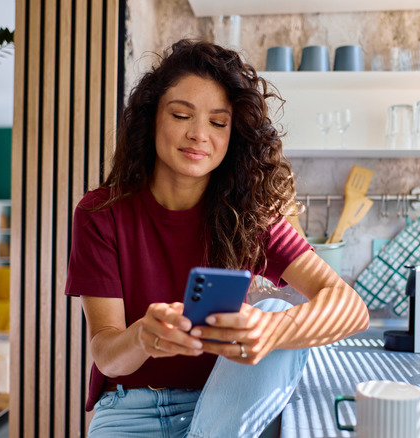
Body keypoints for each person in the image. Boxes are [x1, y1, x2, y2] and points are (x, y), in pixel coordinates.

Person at [65, 39, 369, 437]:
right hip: (128, 410)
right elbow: (107, 355)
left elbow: (351, 309)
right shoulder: (100, 213)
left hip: (221, 408)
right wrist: (141, 336)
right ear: (152, 118)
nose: (198, 134)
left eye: (217, 122)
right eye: (180, 114)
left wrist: (270, 331)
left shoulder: (250, 217)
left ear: (232, 136)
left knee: (278, 311)